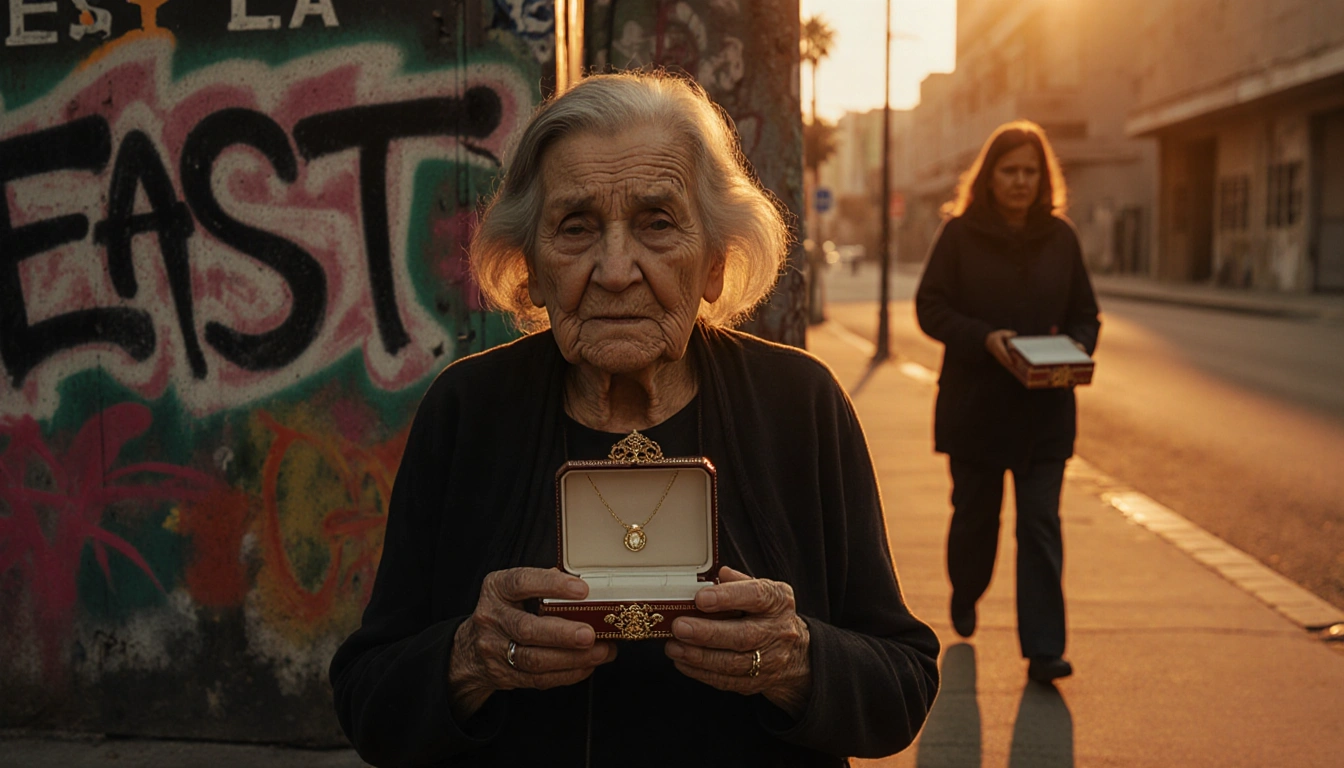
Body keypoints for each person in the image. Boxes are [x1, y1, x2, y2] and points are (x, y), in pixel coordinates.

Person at [330, 72, 940, 766]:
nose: (616, 269)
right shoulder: (467, 411)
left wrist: (797, 659)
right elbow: (366, 701)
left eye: (656, 223)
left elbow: (903, 685)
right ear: (529, 266)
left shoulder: (799, 405)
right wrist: (470, 658)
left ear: (714, 262)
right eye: (576, 226)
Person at [914, 120, 1100, 684]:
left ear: (1044, 178)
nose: (1020, 181)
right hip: (977, 411)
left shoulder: (1061, 237)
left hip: (1045, 412)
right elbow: (930, 307)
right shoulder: (959, 234)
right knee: (977, 520)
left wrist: (1074, 352)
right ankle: (966, 589)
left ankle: (1044, 649)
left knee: (1040, 524)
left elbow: (1085, 313)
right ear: (989, 176)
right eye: (1009, 170)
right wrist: (984, 338)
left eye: (1030, 171)